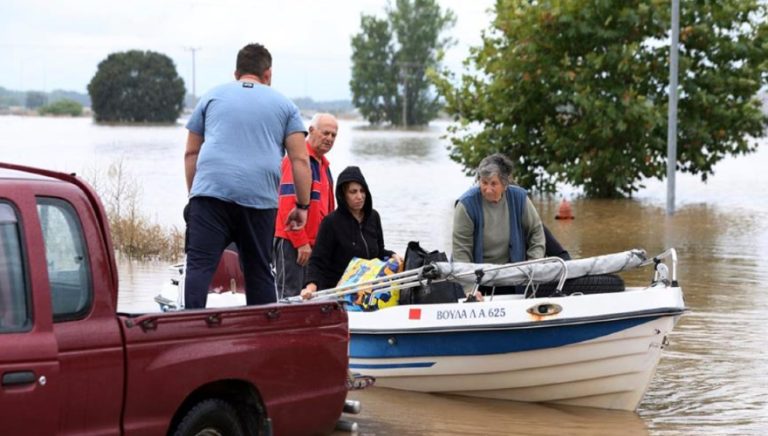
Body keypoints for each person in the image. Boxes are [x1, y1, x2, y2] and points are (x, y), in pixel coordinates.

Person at [183, 43, 312, 309]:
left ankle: (190, 326)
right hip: (259, 200)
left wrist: (193, 196)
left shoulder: (210, 98)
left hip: (209, 195)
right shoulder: (285, 106)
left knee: (198, 266)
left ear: (236, 73)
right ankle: (264, 333)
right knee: (259, 271)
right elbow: (300, 160)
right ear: (268, 74)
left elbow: (191, 154)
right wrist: (302, 206)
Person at [300, 166, 400, 299]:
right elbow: (317, 261)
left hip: (366, 291)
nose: (359, 196)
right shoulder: (330, 222)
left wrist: (393, 255)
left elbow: (378, 252)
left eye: (362, 191)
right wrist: (310, 286)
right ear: (343, 195)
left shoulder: (374, 217)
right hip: (337, 291)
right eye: (353, 192)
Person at [452, 153, 545, 295]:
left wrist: (532, 266)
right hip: (476, 278)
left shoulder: (519, 198)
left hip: (511, 276)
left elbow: (536, 233)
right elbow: (461, 252)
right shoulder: (466, 205)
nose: (488, 189)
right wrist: (469, 290)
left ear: (505, 184)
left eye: (493, 184)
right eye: (484, 182)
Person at [274, 113, 338, 298]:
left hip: (314, 247)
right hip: (292, 243)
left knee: (312, 297)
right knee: (290, 297)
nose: (329, 139)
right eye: (325, 133)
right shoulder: (296, 161)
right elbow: (286, 204)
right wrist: (300, 241)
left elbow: (328, 211)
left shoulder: (324, 166)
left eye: (334, 135)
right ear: (310, 131)